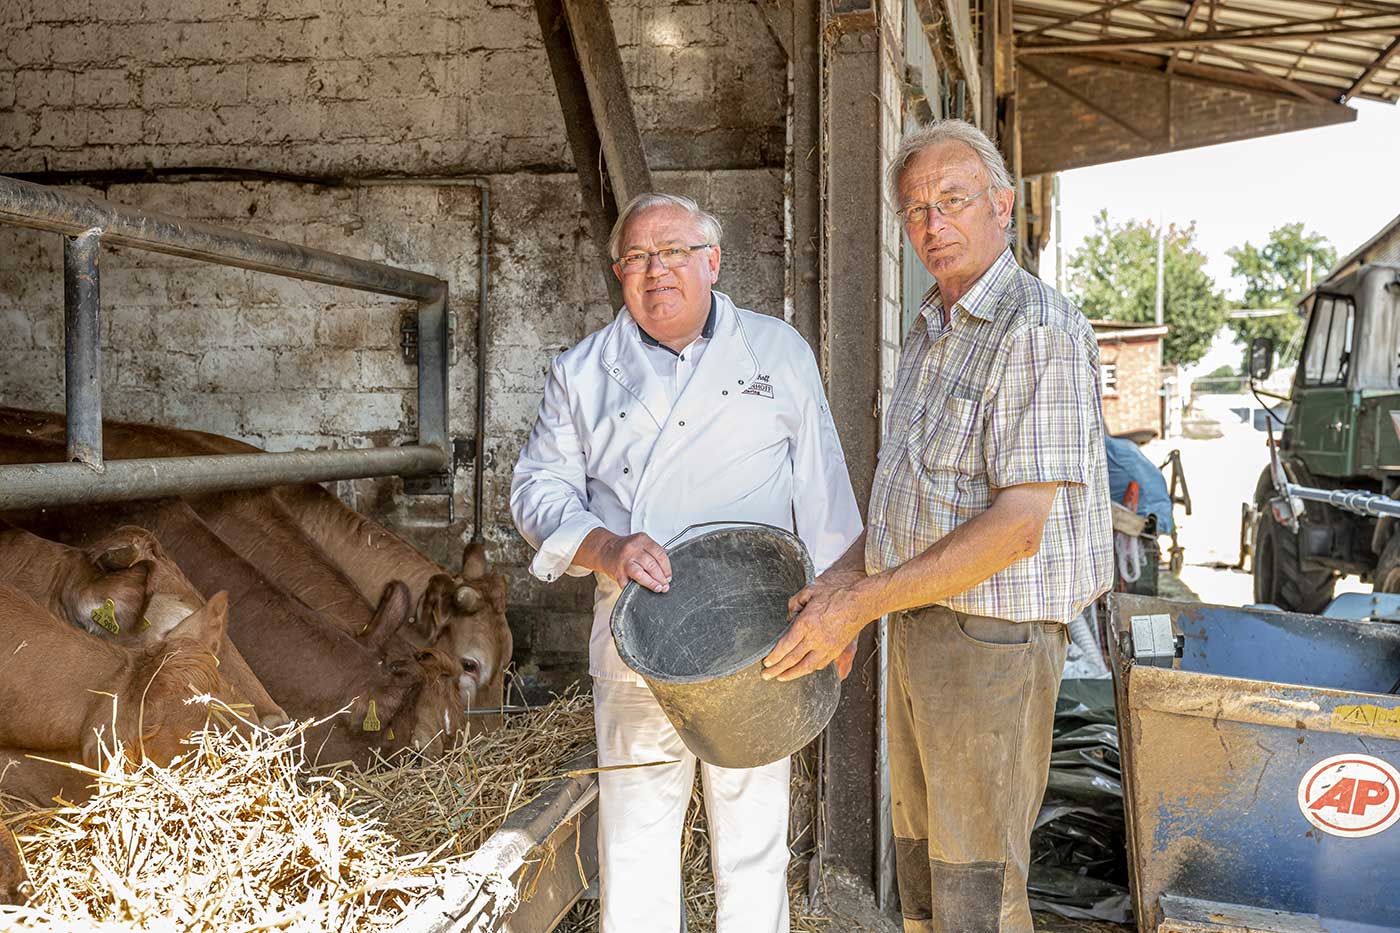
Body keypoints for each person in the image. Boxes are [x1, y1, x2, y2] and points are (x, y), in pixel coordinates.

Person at [762, 119, 1114, 932]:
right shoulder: (934, 324)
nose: (934, 223)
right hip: (921, 622)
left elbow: (1016, 528)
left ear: (1002, 205)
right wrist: (843, 585)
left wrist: (861, 603)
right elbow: (910, 499)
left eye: (953, 200)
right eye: (916, 209)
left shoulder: (1035, 329)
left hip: (991, 643)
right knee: (926, 875)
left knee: (976, 891)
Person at [511, 192, 862, 932]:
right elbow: (536, 490)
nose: (656, 270)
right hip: (638, 636)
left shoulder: (775, 351)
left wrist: (842, 611)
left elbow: (824, 489)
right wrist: (606, 546)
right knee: (634, 839)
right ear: (618, 272)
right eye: (638, 257)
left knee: (754, 839)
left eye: (674, 251)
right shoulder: (582, 371)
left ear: (713, 262)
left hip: (756, 638)